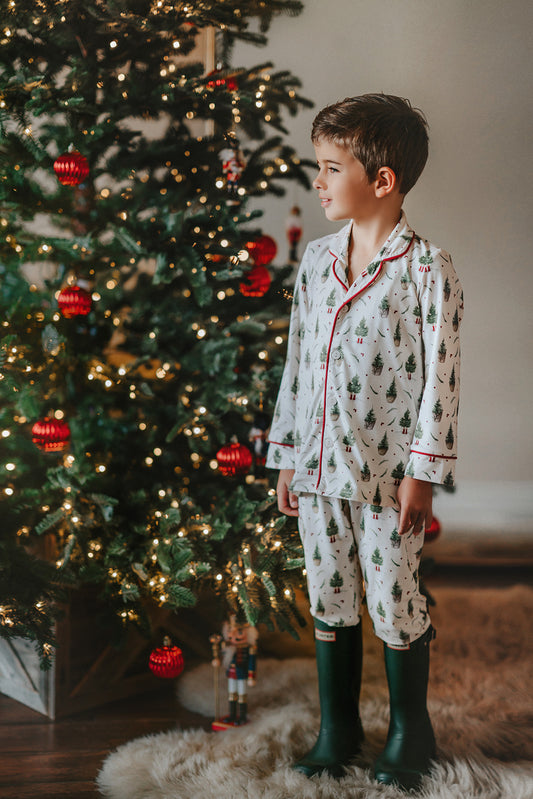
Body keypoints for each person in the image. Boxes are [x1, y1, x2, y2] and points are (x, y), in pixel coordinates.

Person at [266, 94, 463, 791]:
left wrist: (422, 473)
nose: (316, 181)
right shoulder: (316, 262)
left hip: (384, 477)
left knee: (393, 594)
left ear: (381, 179)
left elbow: (440, 378)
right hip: (318, 468)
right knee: (330, 592)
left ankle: (411, 729)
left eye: (329, 167)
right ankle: (337, 727)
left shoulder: (425, 269)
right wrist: (287, 454)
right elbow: (297, 360)